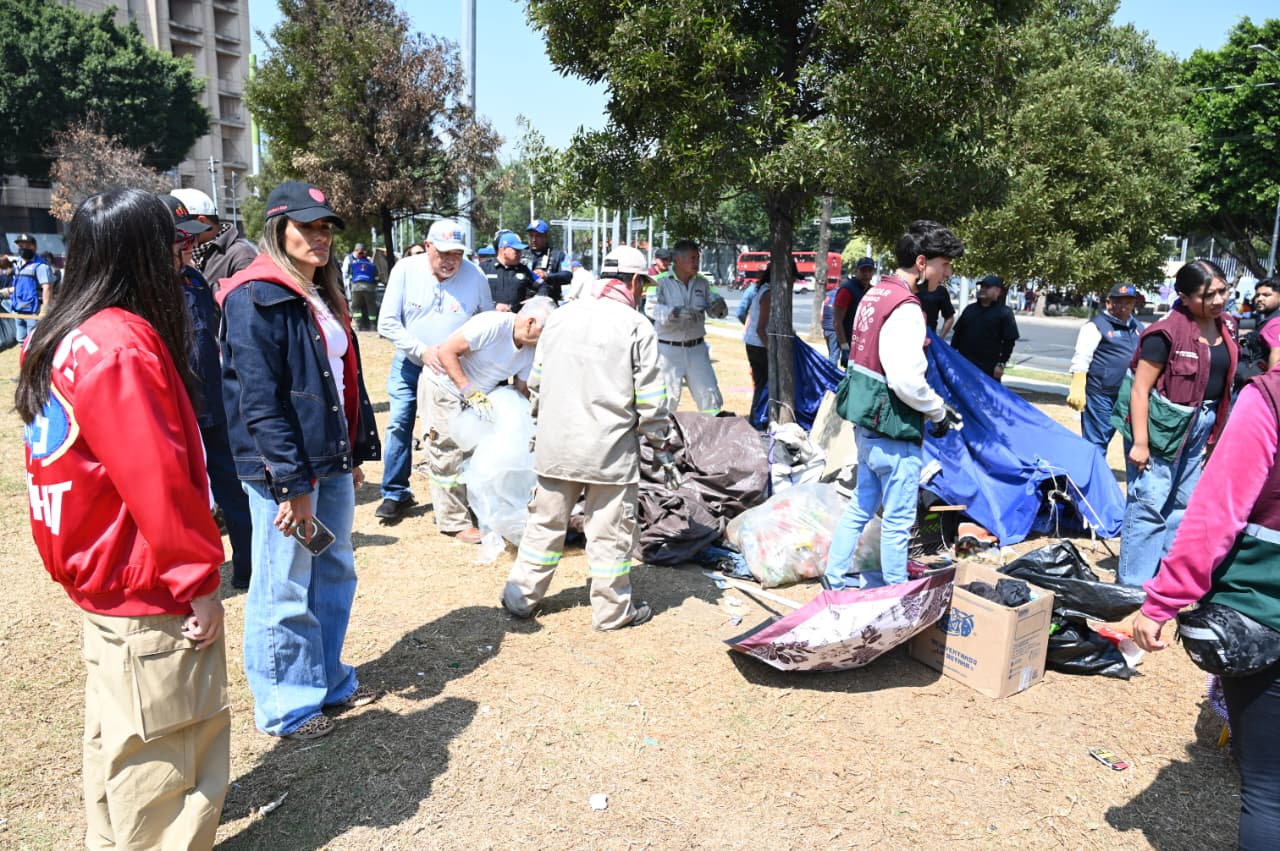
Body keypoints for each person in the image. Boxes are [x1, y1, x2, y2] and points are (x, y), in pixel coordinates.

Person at [17, 188, 229, 848]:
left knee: (118, 739)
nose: (180, 255)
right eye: (171, 243)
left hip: (101, 580)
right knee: (167, 758)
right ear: (141, 252)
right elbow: (158, 481)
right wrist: (200, 580)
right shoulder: (120, 345)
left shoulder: (55, 335)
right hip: (146, 584)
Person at [218, 180, 382, 740]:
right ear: (277, 229)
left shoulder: (322, 292)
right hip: (287, 470)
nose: (320, 236)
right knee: (283, 583)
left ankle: (328, 680)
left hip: (327, 461)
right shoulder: (255, 294)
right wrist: (291, 484)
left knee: (333, 569)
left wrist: (352, 451)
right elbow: (258, 400)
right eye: (307, 226)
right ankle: (288, 705)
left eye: (326, 227)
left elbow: (341, 383)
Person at [1131, 361, 1280, 848]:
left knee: (1269, 792)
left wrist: (1162, 600)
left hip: (1264, 606)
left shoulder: (1269, 398)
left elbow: (1216, 512)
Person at [501, 246, 674, 630]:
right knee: (609, 533)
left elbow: (537, 382)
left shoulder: (560, 317)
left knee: (543, 525)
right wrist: (659, 440)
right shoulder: (636, 326)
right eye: (642, 285)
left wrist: (540, 427)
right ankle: (612, 611)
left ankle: (520, 597)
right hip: (608, 451)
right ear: (633, 282)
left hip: (555, 445)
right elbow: (649, 398)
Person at [823, 220, 964, 591]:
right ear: (922, 262)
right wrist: (938, 410)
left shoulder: (874, 294)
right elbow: (905, 381)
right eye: (944, 264)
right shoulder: (906, 308)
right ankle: (897, 597)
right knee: (899, 522)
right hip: (893, 429)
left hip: (866, 425)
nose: (947, 272)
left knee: (860, 508)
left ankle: (834, 581)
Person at [1116, 259, 1237, 587]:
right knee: (1150, 503)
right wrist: (1140, 443)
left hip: (1201, 426)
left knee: (1183, 504)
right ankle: (1133, 585)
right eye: (1207, 295)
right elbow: (1140, 390)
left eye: (1222, 291)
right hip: (1160, 431)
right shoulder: (1165, 333)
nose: (1217, 300)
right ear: (1183, 297)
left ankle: (1163, 578)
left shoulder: (1227, 326)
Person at [160, 193, 255, 590]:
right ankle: (188, 577)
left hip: (212, 408)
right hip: (172, 417)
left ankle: (248, 566)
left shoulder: (194, 279)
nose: (191, 244)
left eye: (192, 237)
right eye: (182, 238)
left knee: (233, 490)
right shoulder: (142, 292)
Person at [376, 219, 494, 522]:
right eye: (443, 253)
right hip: (410, 364)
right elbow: (387, 322)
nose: (450, 261)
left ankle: (466, 494)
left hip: (454, 372)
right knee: (400, 423)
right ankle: (395, 492)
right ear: (428, 247)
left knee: (457, 430)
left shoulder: (476, 275)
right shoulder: (405, 270)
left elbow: (487, 322)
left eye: (457, 254)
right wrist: (421, 351)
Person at [419, 297, 555, 542]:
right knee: (446, 451)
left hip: (478, 397)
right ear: (531, 322)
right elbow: (448, 351)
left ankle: (471, 507)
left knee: (474, 450)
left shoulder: (532, 349)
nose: (546, 339)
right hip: (444, 386)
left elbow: (523, 388)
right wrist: (468, 391)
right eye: (545, 332)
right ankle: (453, 522)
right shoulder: (493, 325)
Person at [643, 238, 728, 414]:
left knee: (709, 395)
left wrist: (719, 308)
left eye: (698, 258)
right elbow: (650, 308)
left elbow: (715, 307)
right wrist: (673, 312)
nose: (697, 263)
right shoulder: (658, 281)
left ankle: (712, 432)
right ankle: (665, 436)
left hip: (696, 348)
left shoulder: (703, 282)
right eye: (692, 258)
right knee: (667, 398)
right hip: (668, 350)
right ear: (678, 259)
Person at [1066, 283, 1143, 458]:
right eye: (1119, 302)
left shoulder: (1138, 328)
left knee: (1133, 442)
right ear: (1109, 303)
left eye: (1129, 302)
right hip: (1101, 395)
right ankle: (1090, 481)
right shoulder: (1095, 326)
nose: (1124, 306)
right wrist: (1077, 386)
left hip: (1129, 395)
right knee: (1096, 443)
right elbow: (1082, 358)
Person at [171, 187, 257, 290]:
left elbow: (245, 298)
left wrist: (196, 278)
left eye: (181, 227)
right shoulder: (187, 251)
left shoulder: (241, 255)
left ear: (202, 221)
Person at [949, 274, 1019, 381]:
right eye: (982, 287)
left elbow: (1009, 341)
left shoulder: (1005, 312)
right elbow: (957, 335)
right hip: (965, 364)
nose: (983, 289)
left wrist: (1001, 364)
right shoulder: (969, 309)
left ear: (997, 291)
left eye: (987, 287)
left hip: (989, 368)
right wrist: (951, 356)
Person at [5, 232, 52, 344]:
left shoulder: (41, 266)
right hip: (18, 310)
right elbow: (20, 287)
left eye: (26, 245)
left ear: (34, 246)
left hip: (33, 311)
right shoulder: (18, 265)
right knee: (21, 341)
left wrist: (45, 309)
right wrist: (5, 292)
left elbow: (47, 288)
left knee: (33, 343)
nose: (23, 248)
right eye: (21, 246)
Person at [1235, 277, 1280, 387]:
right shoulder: (1267, 320)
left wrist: (1269, 386)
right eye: (1257, 295)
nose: (1259, 299)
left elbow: (1277, 355)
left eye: (1266, 295)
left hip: (1259, 387)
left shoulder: (1275, 323)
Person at [831, 257, 875, 366]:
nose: (866, 274)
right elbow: (837, 322)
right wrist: (845, 347)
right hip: (850, 344)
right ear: (857, 271)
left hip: (865, 345)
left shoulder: (872, 290)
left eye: (869, 270)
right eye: (863, 270)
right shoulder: (847, 290)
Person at [743, 266, 774, 420]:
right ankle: (756, 419)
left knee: (761, 384)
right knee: (764, 385)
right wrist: (771, 350)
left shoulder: (762, 289)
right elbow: (760, 328)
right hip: (759, 345)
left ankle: (756, 418)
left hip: (753, 342)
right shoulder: (768, 294)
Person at [481, 230, 536, 310]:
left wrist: (536, 299)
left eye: (520, 251)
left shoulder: (524, 270)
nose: (520, 254)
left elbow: (543, 286)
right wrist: (494, 305)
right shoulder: (484, 268)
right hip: (490, 318)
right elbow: (473, 293)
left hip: (515, 319)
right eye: (516, 250)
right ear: (504, 249)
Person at [524, 219, 571, 302]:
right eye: (531, 236)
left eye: (538, 236)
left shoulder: (558, 255)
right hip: (524, 302)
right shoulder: (521, 253)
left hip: (548, 302)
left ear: (546, 237)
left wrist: (547, 276)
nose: (534, 240)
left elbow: (567, 275)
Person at [345, 243, 380, 331]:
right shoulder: (372, 265)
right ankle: (373, 326)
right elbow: (376, 277)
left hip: (356, 287)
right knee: (371, 306)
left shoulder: (353, 264)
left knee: (356, 306)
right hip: (369, 287)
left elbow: (349, 276)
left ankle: (358, 325)